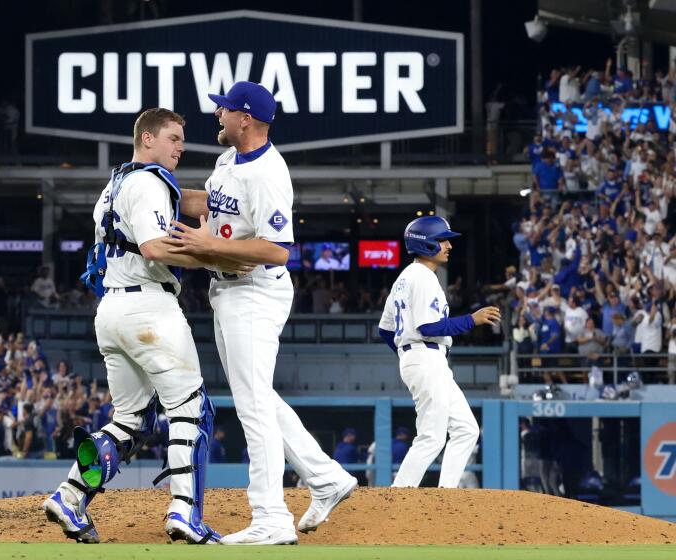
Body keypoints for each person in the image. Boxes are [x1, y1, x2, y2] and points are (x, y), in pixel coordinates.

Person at [43, 108, 250, 545]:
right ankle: (184, 514)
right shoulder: (148, 182)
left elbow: (182, 201)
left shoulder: (119, 182)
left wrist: (226, 196)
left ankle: (70, 496)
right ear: (148, 138)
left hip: (112, 312)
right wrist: (214, 255)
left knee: (131, 422)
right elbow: (156, 247)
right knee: (192, 408)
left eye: (182, 139)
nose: (180, 146)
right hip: (148, 310)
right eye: (173, 138)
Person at [167, 82, 356, 545]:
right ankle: (326, 478)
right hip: (227, 291)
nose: (218, 115)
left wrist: (210, 243)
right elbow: (208, 204)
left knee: (252, 406)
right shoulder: (228, 159)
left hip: (255, 293)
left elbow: (278, 249)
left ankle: (271, 516)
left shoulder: (270, 173)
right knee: (261, 397)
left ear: (245, 118)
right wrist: (152, 184)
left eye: (224, 109)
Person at [378, 216, 500, 488]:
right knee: (431, 437)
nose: (448, 245)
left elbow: (385, 330)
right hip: (425, 356)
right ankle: (398, 497)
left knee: (466, 429)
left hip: (422, 357)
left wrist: (406, 353)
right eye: (442, 240)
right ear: (426, 244)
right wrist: (472, 319)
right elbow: (428, 326)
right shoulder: (422, 277)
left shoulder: (404, 278)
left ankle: (447, 493)